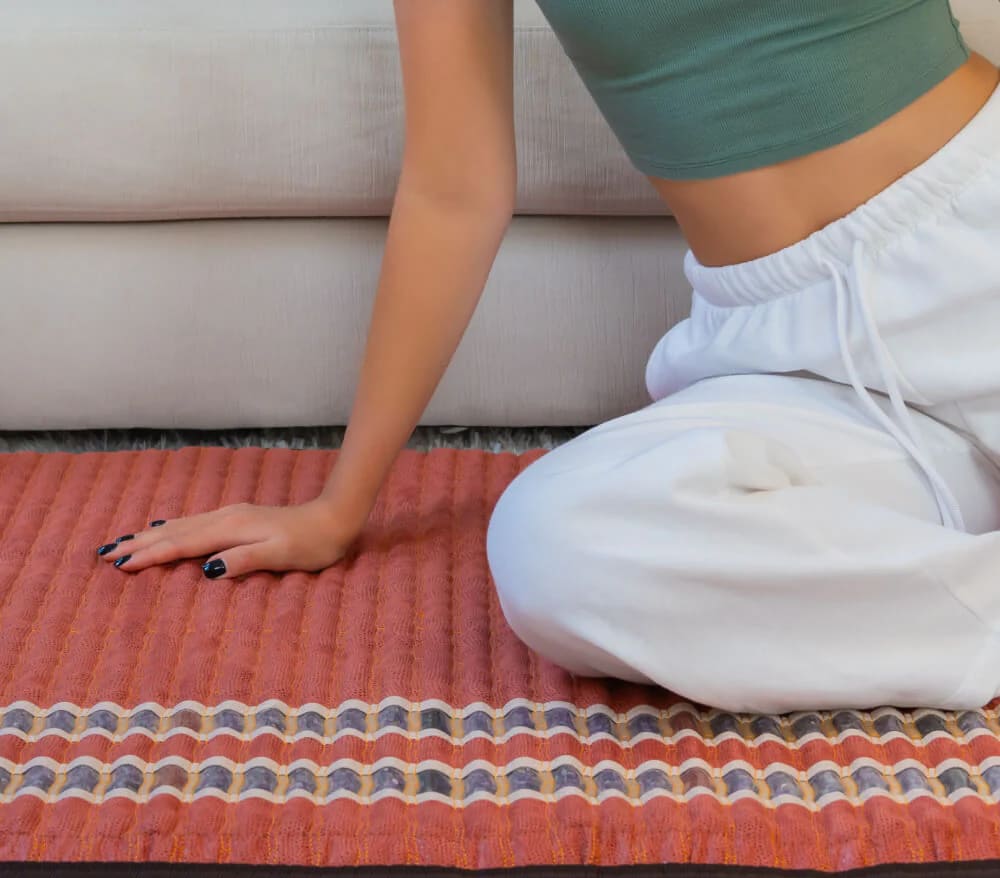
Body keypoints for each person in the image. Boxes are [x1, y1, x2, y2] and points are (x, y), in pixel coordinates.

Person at [97, 2, 1000, 715]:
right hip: (786, 357)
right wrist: (339, 506)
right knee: (561, 551)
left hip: (981, 242)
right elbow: (453, 188)